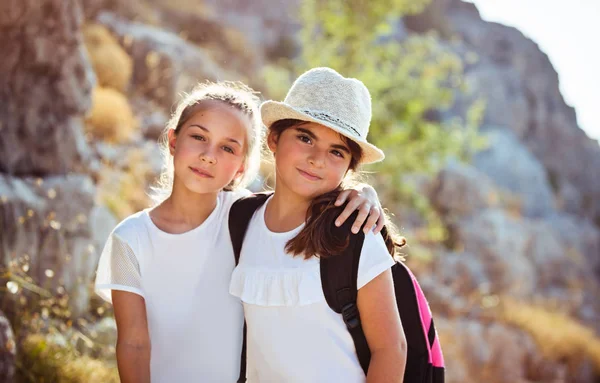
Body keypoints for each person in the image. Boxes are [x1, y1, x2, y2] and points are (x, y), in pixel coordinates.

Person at [94, 81, 386, 383]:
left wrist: (364, 193)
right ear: (172, 140)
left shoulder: (244, 216)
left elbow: (301, 202)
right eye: (198, 137)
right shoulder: (130, 238)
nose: (209, 156)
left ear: (241, 166)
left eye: (228, 147)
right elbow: (133, 344)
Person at [230, 68, 408, 382]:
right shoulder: (240, 218)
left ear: (349, 168)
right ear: (274, 138)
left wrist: (367, 195)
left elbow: (391, 348)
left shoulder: (353, 234)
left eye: (336, 151)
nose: (317, 159)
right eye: (305, 137)